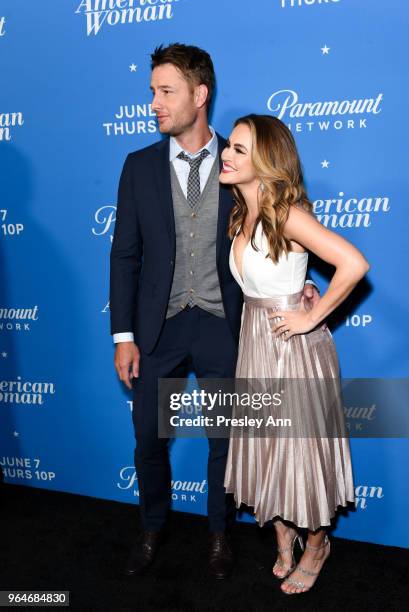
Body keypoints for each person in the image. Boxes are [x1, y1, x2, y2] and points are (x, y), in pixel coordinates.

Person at [110, 44, 319, 579]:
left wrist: (301, 283)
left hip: (227, 327)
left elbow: (280, 228)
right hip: (157, 328)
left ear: (199, 96)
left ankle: (219, 534)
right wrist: (124, 335)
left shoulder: (242, 159)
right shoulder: (137, 167)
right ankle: (152, 526)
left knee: (225, 443)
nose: (153, 103)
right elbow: (125, 254)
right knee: (148, 439)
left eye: (165, 91)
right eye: (152, 92)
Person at [221, 114, 369, 594]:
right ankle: (283, 533)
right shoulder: (241, 215)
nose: (228, 154)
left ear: (266, 161)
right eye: (231, 146)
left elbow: (353, 263)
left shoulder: (286, 215)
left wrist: (310, 313)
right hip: (255, 344)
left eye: (241, 150)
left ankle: (317, 544)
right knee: (266, 445)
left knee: (303, 450)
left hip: (293, 347)